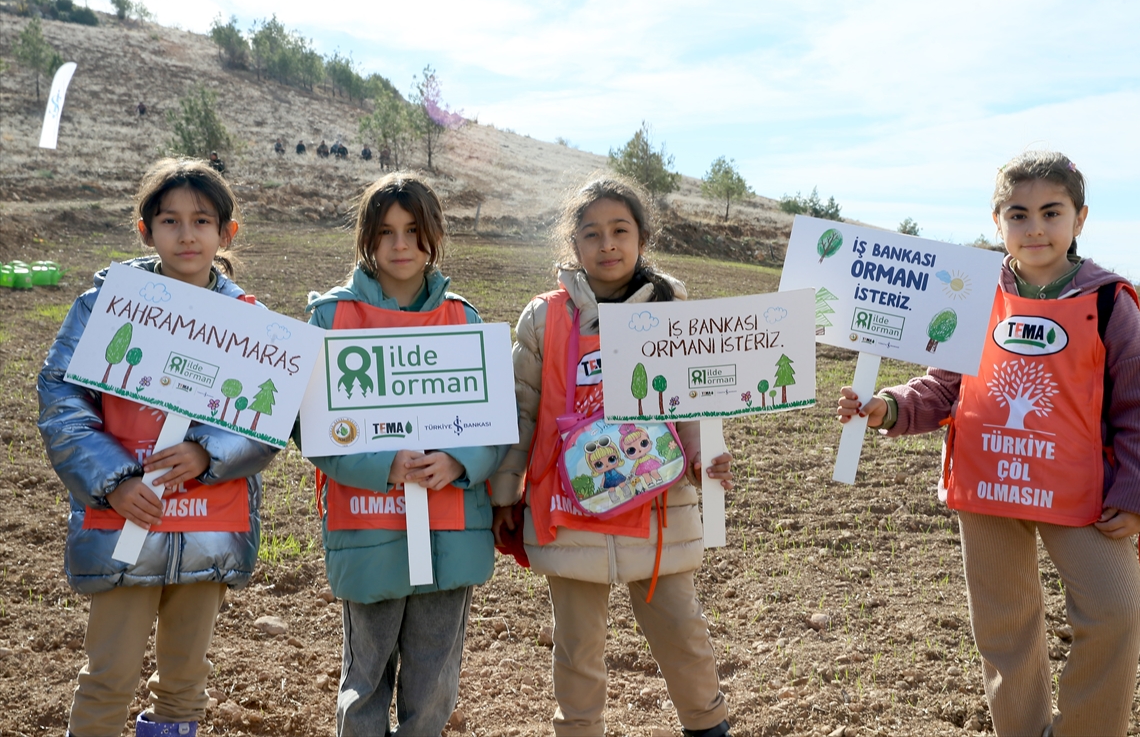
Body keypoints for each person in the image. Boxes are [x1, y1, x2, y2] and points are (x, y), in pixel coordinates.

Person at [837, 151, 1140, 737]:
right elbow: (944, 384)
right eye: (1018, 214)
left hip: (1081, 490)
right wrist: (889, 405)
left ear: (1080, 218)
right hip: (987, 481)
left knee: (1119, 611)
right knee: (1004, 631)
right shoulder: (969, 292)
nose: (1035, 227)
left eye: (1051, 212)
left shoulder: (1108, 301)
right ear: (998, 222)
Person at [37, 158, 278, 737]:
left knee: (185, 681)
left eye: (202, 220)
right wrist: (114, 482)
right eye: (170, 220)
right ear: (146, 230)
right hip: (124, 525)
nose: (187, 234)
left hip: (208, 528)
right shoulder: (106, 306)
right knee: (108, 675)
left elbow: (268, 417)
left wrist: (207, 452)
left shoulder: (251, 323)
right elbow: (62, 397)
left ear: (227, 232)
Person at [490, 175, 735, 737]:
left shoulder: (674, 313)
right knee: (577, 651)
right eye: (592, 233)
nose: (607, 244)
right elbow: (520, 410)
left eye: (620, 230)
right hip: (567, 509)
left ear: (642, 238)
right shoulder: (543, 318)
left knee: (684, 635)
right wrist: (505, 494)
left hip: (658, 505)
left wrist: (704, 459)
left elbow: (694, 407)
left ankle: (708, 726)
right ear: (572, 246)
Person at [303, 173, 506, 736]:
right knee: (364, 681)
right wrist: (381, 464)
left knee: (434, 682)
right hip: (369, 530)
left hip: (451, 530)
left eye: (414, 231)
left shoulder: (462, 319)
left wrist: (460, 461)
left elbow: (494, 424)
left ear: (433, 235)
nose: (400, 245)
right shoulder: (331, 319)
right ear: (367, 238)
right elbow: (313, 427)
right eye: (387, 231)